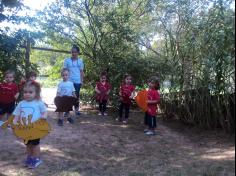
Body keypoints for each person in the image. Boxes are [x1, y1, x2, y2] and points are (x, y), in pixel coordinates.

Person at [13, 81, 47, 168]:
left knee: (35, 144)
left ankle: (36, 159)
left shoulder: (39, 102)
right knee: (28, 144)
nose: (27, 94)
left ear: (36, 93)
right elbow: (16, 114)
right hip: (24, 128)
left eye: (30, 92)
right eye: (25, 92)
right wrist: (15, 121)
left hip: (35, 128)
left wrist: (43, 117)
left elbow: (44, 112)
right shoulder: (21, 103)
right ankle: (30, 157)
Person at [63, 45, 84, 116]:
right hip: (69, 81)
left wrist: (82, 81)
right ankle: (67, 111)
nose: (73, 53)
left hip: (77, 81)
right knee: (68, 95)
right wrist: (64, 80)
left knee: (76, 96)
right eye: (72, 52)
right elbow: (64, 70)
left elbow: (81, 72)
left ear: (78, 52)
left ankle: (77, 110)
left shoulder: (80, 61)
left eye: (75, 52)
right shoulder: (67, 60)